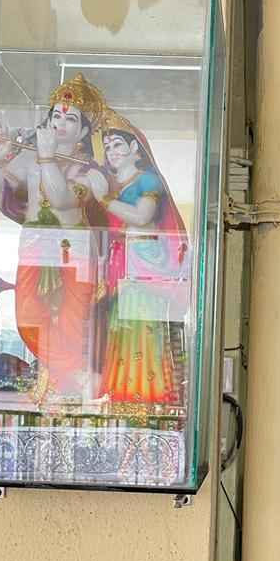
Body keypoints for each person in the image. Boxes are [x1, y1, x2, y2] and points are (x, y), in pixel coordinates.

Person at [0, 74, 109, 404]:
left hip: (73, 251)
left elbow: (62, 200)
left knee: (72, 324)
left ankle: (63, 386)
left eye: (71, 119)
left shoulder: (90, 172)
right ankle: (71, 377)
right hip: (35, 245)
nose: (61, 123)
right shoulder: (30, 161)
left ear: (83, 132)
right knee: (28, 319)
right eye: (56, 116)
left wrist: (47, 159)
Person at [92, 107, 189, 409]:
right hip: (123, 263)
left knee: (142, 323)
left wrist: (104, 198)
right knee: (121, 327)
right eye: (107, 147)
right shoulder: (116, 185)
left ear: (135, 147)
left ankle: (146, 394)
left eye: (117, 144)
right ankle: (121, 391)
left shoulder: (147, 181)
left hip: (144, 261)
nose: (111, 151)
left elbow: (142, 216)